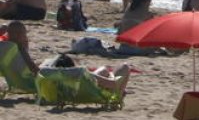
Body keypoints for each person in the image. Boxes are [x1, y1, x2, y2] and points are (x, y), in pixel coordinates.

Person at [2, 21, 131, 94]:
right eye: (24, 34)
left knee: (102, 70)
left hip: (32, 80)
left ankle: (112, 84)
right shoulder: (20, 50)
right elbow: (36, 72)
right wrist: (24, 50)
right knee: (85, 71)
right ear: (20, 35)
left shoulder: (7, 50)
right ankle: (113, 84)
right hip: (45, 82)